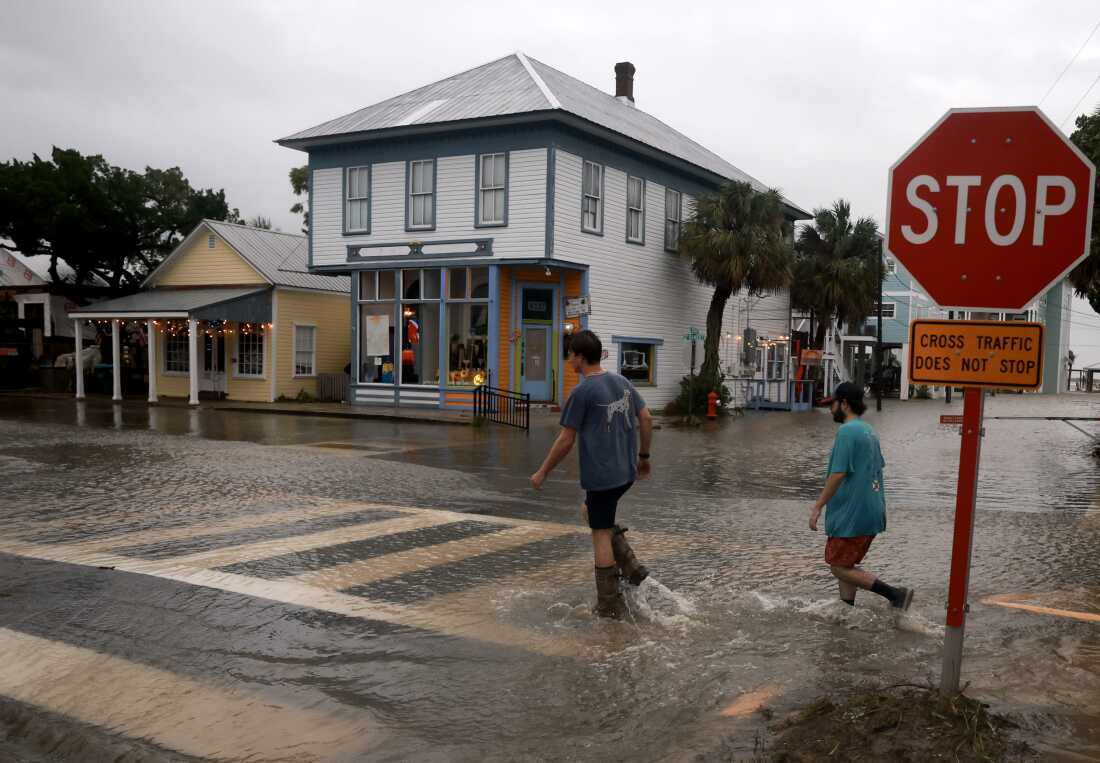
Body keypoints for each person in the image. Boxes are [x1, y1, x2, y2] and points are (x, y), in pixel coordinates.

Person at [530, 329, 653, 619]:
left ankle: (609, 603)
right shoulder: (622, 382)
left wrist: (542, 472)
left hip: (602, 476)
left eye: (570, 354)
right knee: (593, 511)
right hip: (625, 474)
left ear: (580, 357)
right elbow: (646, 417)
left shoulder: (582, 392)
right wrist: (644, 457)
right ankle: (630, 565)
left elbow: (565, 440)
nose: (568, 359)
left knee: (599, 532)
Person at [810, 382, 913, 611]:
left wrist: (818, 506)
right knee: (846, 565)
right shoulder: (868, 430)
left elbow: (838, 474)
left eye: (833, 404)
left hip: (852, 513)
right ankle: (846, 611)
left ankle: (895, 595)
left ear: (844, 404)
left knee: (837, 566)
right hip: (872, 510)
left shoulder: (847, 431)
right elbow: (877, 468)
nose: (830, 410)